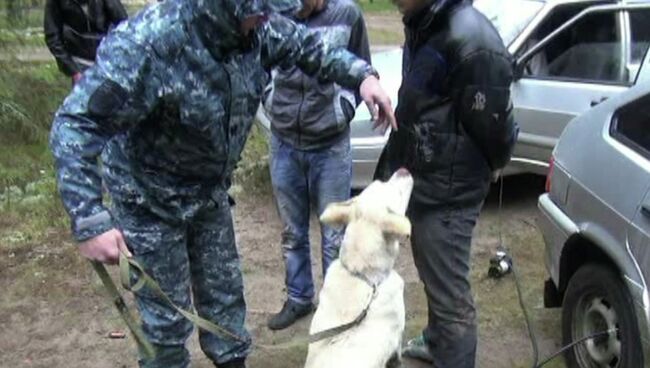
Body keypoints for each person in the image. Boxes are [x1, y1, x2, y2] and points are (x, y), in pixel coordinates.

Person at [48, 0, 396, 367]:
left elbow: (310, 48)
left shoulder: (259, 28)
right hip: (148, 202)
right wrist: (89, 220)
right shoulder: (149, 44)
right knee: (165, 327)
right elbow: (75, 123)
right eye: (258, 9)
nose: (267, 17)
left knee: (225, 307)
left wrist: (362, 77)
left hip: (207, 194)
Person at [374, 0, 517, 367]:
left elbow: (495, 129)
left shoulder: (473, 40)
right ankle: (437, 341)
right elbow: (420, 104)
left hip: (450, 193)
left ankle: (450, 348)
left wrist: (494, 163)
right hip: (426, 180)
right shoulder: (425, 21)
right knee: (432, 272)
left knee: (450, 297)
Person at [263, 0, 371, 331]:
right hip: (284, 142)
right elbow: (258, 64)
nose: (301, 6)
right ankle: (299, 298)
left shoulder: (348, 15)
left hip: (330, 145)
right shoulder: (274, 13)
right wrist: (269, 99)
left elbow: (361, 67)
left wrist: (345, 108)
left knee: (334, 233)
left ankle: (335, 306)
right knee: (291, 231)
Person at [44, 0, 128, 84]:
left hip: (107, 60)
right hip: (79, 62)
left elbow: (124, 26)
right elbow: (52, 37)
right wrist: (73, 70)